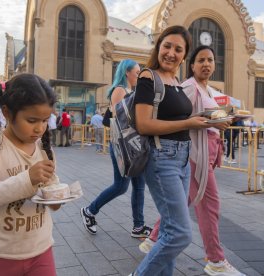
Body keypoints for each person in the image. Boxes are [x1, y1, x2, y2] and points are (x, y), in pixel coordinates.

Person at [138, 45, 244, 276]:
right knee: (206, 208)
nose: (206, 64)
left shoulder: (207, 90)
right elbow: (177, 116)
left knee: (180, 206)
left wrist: (220, 119)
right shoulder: (186, 86)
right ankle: (215, 260)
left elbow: (198, 117)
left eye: (210, 60)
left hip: (200, 156)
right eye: (201, 60)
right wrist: (212, 122)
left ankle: (153, 239)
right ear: (192, 64)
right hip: (191, 156)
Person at [0, 74, 60, 276]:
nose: (40, 128)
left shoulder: (44, 148)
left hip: (41, 250)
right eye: (32, 120)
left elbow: (51, 187)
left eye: (45, 120)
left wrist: (57, 197)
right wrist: (27, 179)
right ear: (7, 112)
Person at [80, 59, 152, 239]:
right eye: (136, 72)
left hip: (133, 145)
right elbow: (121, 119)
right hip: (123, 145)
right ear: (126, 72)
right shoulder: (120, 90)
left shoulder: (129, 90)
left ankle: (138, 225)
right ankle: (89, 210)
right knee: (121, 186)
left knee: (139, 186)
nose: (138, 75)